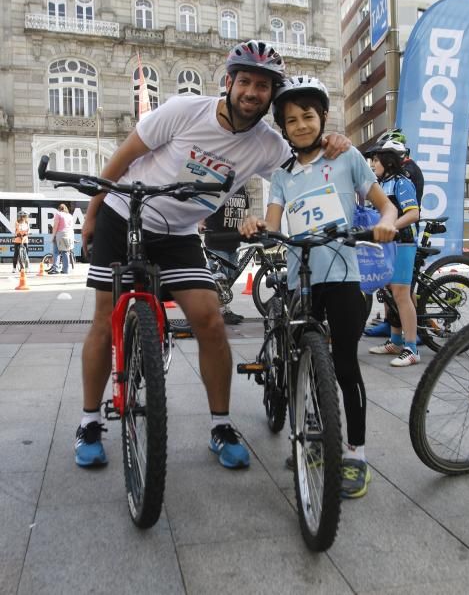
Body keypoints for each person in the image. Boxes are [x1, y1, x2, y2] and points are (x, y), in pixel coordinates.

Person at [76, 39, 351, 470]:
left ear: (270, 95)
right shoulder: (185, 111)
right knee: (104, 316)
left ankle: (221, 425)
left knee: (209, 319)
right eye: (245, 82)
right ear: (229, 82)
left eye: (263, 86)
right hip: (123, 213)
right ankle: (90, 421)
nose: (252, 93)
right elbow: (121, 159)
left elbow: (306, 162)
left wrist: (334, 142)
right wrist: (92, 214)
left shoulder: (266, 144)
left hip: (179, 233)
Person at [239, 75, 397, 499]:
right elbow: (272, 225)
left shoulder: (346, 159)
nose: (301, 125)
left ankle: (356, 455)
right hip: (300, 280)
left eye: (308, 116)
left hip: (343, 276)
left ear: (322, 118)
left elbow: (385, 204)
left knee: (345, 365)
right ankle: (309, 437)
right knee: (297, 363)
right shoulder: (283, 175)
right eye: (291, 121)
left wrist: (385, 222)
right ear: (284, 129)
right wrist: (257, 225)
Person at [364, 129, 424, 338]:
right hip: (390, 243)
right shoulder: (381, 184)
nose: (373, 165)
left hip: (404, 242)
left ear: (388, 162)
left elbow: (414, 213)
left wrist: (392, 226)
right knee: (390, 293)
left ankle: (411, 347)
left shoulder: (402, 182)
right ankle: (396, 341)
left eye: (376, 161)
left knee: (401, 294)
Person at [201, 186, 250, 325]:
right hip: (217, 240)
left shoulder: (242, 187)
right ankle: (219, 312)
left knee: (226, 280)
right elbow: (204, 206)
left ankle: (222, 309)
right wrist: (200, 222)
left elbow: (244, 211)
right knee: (218, 279)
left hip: (233, 241)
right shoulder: (219, 184)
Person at [49, 204, 74, 274]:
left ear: (59, 209)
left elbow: (55, 227)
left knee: (56, 252)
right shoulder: (70, 216)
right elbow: (71, 227)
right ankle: (65, 270)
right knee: (65, 252)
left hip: (60, 234)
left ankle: (55, 269)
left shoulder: (58, 214)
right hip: (69, 235)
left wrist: (53, 236)